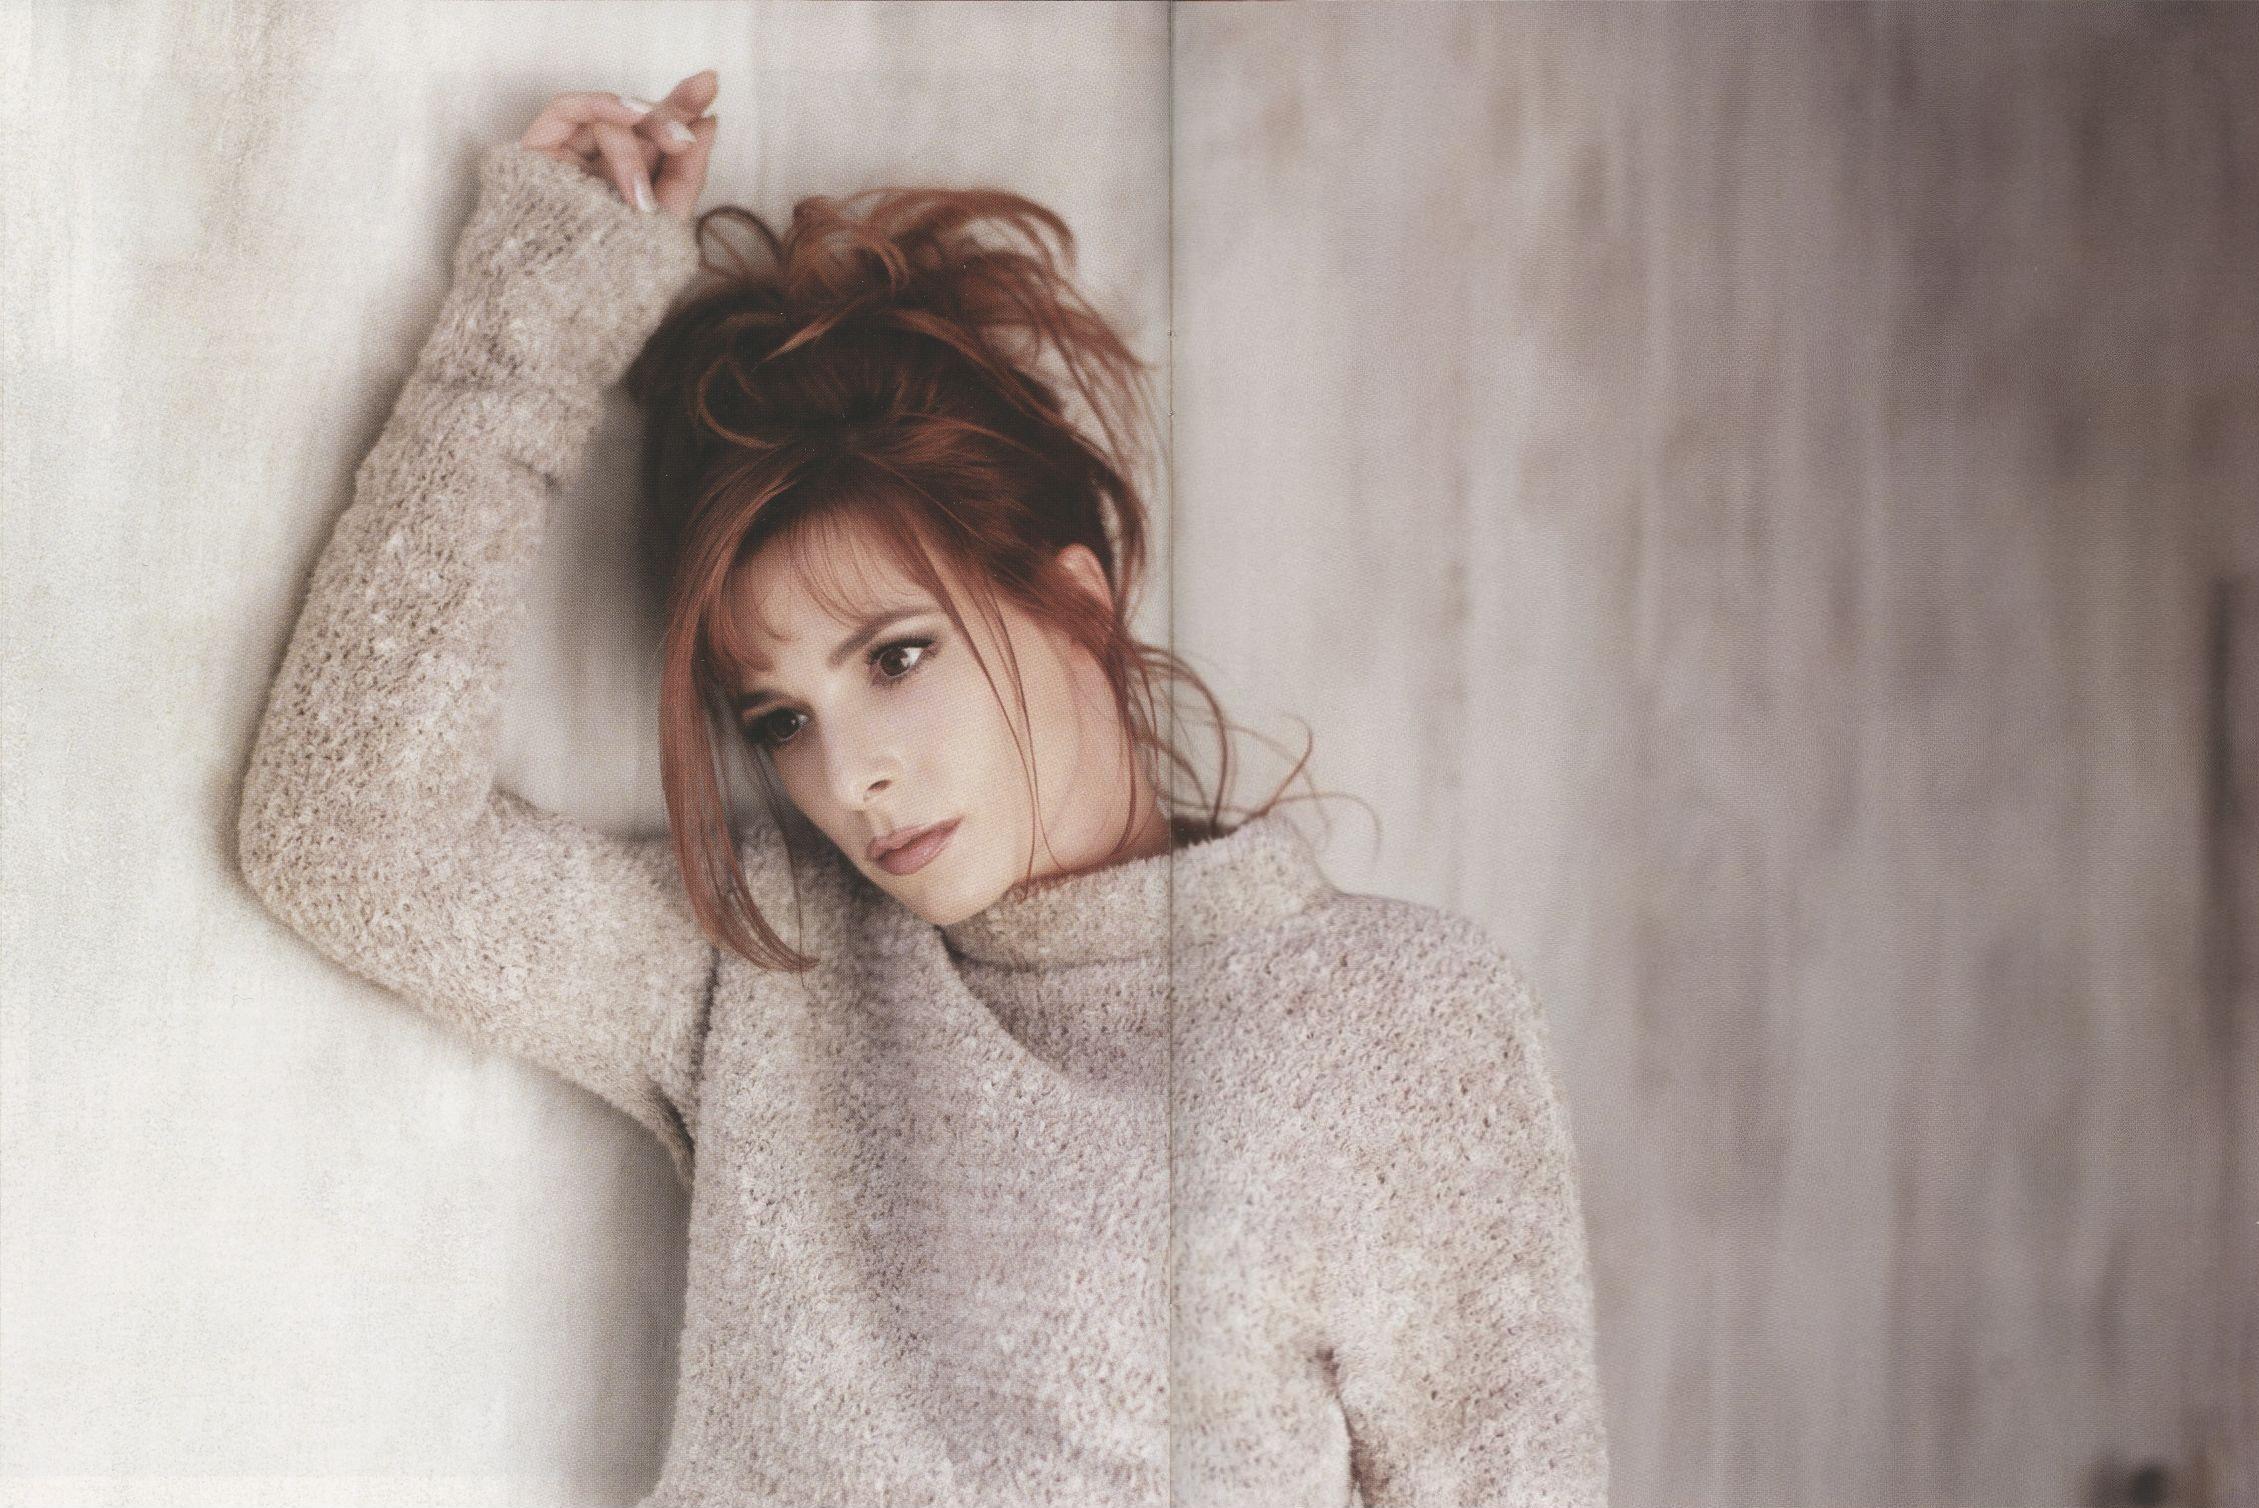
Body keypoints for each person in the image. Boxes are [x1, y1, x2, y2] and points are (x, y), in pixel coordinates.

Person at [236, 68, 1610, 1508]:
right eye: (780, 720)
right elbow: (348, 841)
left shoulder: (1395, 1030)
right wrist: (537, 320)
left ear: (1077, 605)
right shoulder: (779, 965)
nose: (849, 775)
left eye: (896, 657)